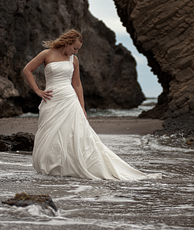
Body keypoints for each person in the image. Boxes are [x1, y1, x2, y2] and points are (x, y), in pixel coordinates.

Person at [23, 29, 161, 180]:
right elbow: (27, 70)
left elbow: (77, 84)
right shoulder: (47, 54)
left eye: (78, 49)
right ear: (67, 43)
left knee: (72, 134)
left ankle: (68, 165)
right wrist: (38, 90)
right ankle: (50, 165)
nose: (75, 51)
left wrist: (82, 106)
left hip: (69, 100)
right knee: (49, 132)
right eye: (74, 48)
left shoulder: (73, 60)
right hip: (51, 100)